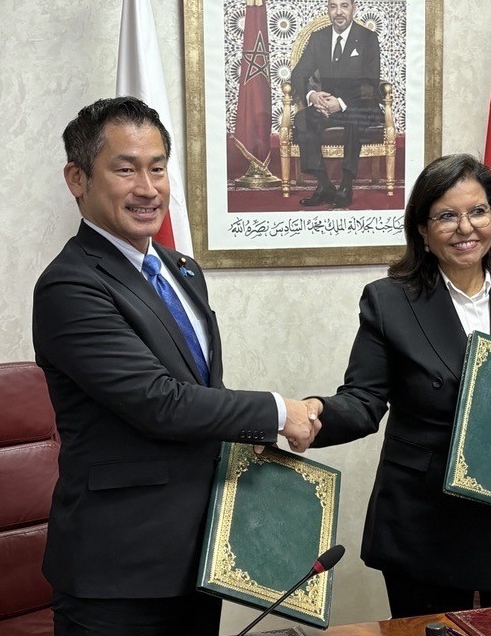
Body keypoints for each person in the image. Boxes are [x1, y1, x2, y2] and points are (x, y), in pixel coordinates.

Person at [32, 97, 320, 636]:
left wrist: (254, 434)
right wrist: (279, 411)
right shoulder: (70, 286)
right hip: (119, 573)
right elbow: (160, 402)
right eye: (125, 169)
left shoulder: (180, 270)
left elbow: (200, 389)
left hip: (199, 559)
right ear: (77, 178)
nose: (148, 188)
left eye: (158, 167)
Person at [296, 153, 491, 616]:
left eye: (478, 211)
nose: (466, 227)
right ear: (423, 231)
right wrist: (311, 413)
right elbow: (363, 400)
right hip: (428, 523)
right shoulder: (389, 301)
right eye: (447, 216)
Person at [291, 0, 382, 209]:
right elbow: (298, 74)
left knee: (353, 117)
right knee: (302, 120)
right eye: (333, 7)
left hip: (361, 106)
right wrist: (312, 96)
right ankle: (324, 184)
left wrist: (340, 104)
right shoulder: (318, 38)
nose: (338, 12)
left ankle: (346, 185)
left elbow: (370, 85)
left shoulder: (368, 38)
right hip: (326, 106)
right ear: (328, 10)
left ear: (354, 8)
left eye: (344, 6)